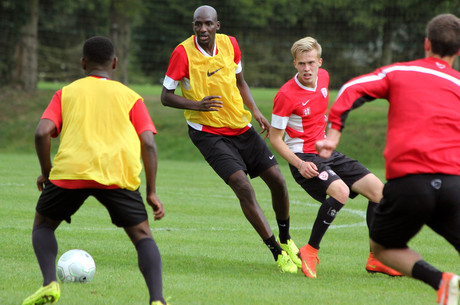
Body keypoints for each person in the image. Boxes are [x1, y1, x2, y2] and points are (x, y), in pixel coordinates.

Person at [316, 13, 460, 304]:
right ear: (458, 51)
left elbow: (350, 89)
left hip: (409, 185)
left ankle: (441, 281)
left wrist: (333, 135)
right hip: (454, 185)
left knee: (382, 248)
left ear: (426, 43)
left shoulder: (399, 72)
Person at [22, 36, 167, 305]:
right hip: (117, 174)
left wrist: (47, 171)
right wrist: (152, 191)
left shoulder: (66, 93)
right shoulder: (130, 97)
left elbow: (42, 132)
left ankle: (49, 283)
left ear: (83, 63)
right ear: (114, 63)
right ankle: (157, 300)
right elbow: (148, 142)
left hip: (70, 173)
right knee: (142, 236)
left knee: (43, 226)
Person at [160, 5, 299, 273]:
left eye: (208, 24)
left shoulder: (230, 45)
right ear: (193, 26)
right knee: (242, 185)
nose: (202, 29)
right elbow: (166, 95)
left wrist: (256, 112)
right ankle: (277, 252)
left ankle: (286, 238)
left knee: (279, 181)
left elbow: (240, 82)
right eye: (197, 24)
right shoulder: (182, 52)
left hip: (240, 126)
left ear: (217, 25)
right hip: (207, 132)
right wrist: (197, 105)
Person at [270, 36, 402, 279]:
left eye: (311, 62)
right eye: (301, 64)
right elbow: (275, 138)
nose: (307, 68)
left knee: (379, 192)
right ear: (294, 64)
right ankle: (310, 250)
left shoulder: (325, 78)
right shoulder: (286, 95)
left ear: (320, 62)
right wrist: (299, 164)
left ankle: (377, 257)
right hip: (303, 158)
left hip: (325, 153)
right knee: (340, 192)